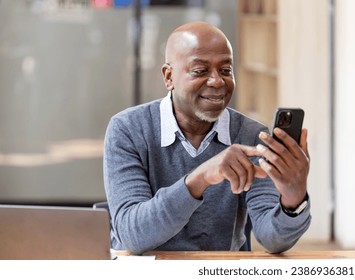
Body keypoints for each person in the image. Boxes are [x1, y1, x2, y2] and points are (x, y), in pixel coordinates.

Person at [103, 21, 311, 255]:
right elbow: (132, 235)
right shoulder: (128, 129)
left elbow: (272, 239)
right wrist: (201, 177)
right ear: (169, 77)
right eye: (200, 71)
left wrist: (293, 200)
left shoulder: (252, 136)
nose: (217, 81)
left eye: (226, 70)